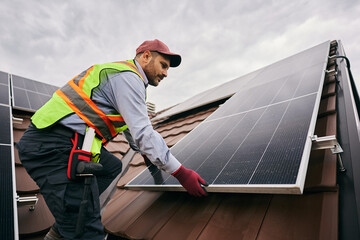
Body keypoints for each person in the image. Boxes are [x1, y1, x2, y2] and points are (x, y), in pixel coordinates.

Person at [16, 39, 208, 240]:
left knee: (112, 166)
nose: (166, 73)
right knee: (87, 231)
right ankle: (73, 217)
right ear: (146, 56)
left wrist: (144, 153)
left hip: (65, 141)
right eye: (163, 65)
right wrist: (181, 173)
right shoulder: (129, 78)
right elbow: (143, 132)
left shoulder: (124, 78)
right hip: (52, 144)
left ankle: (67, 219)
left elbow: (130, 131)